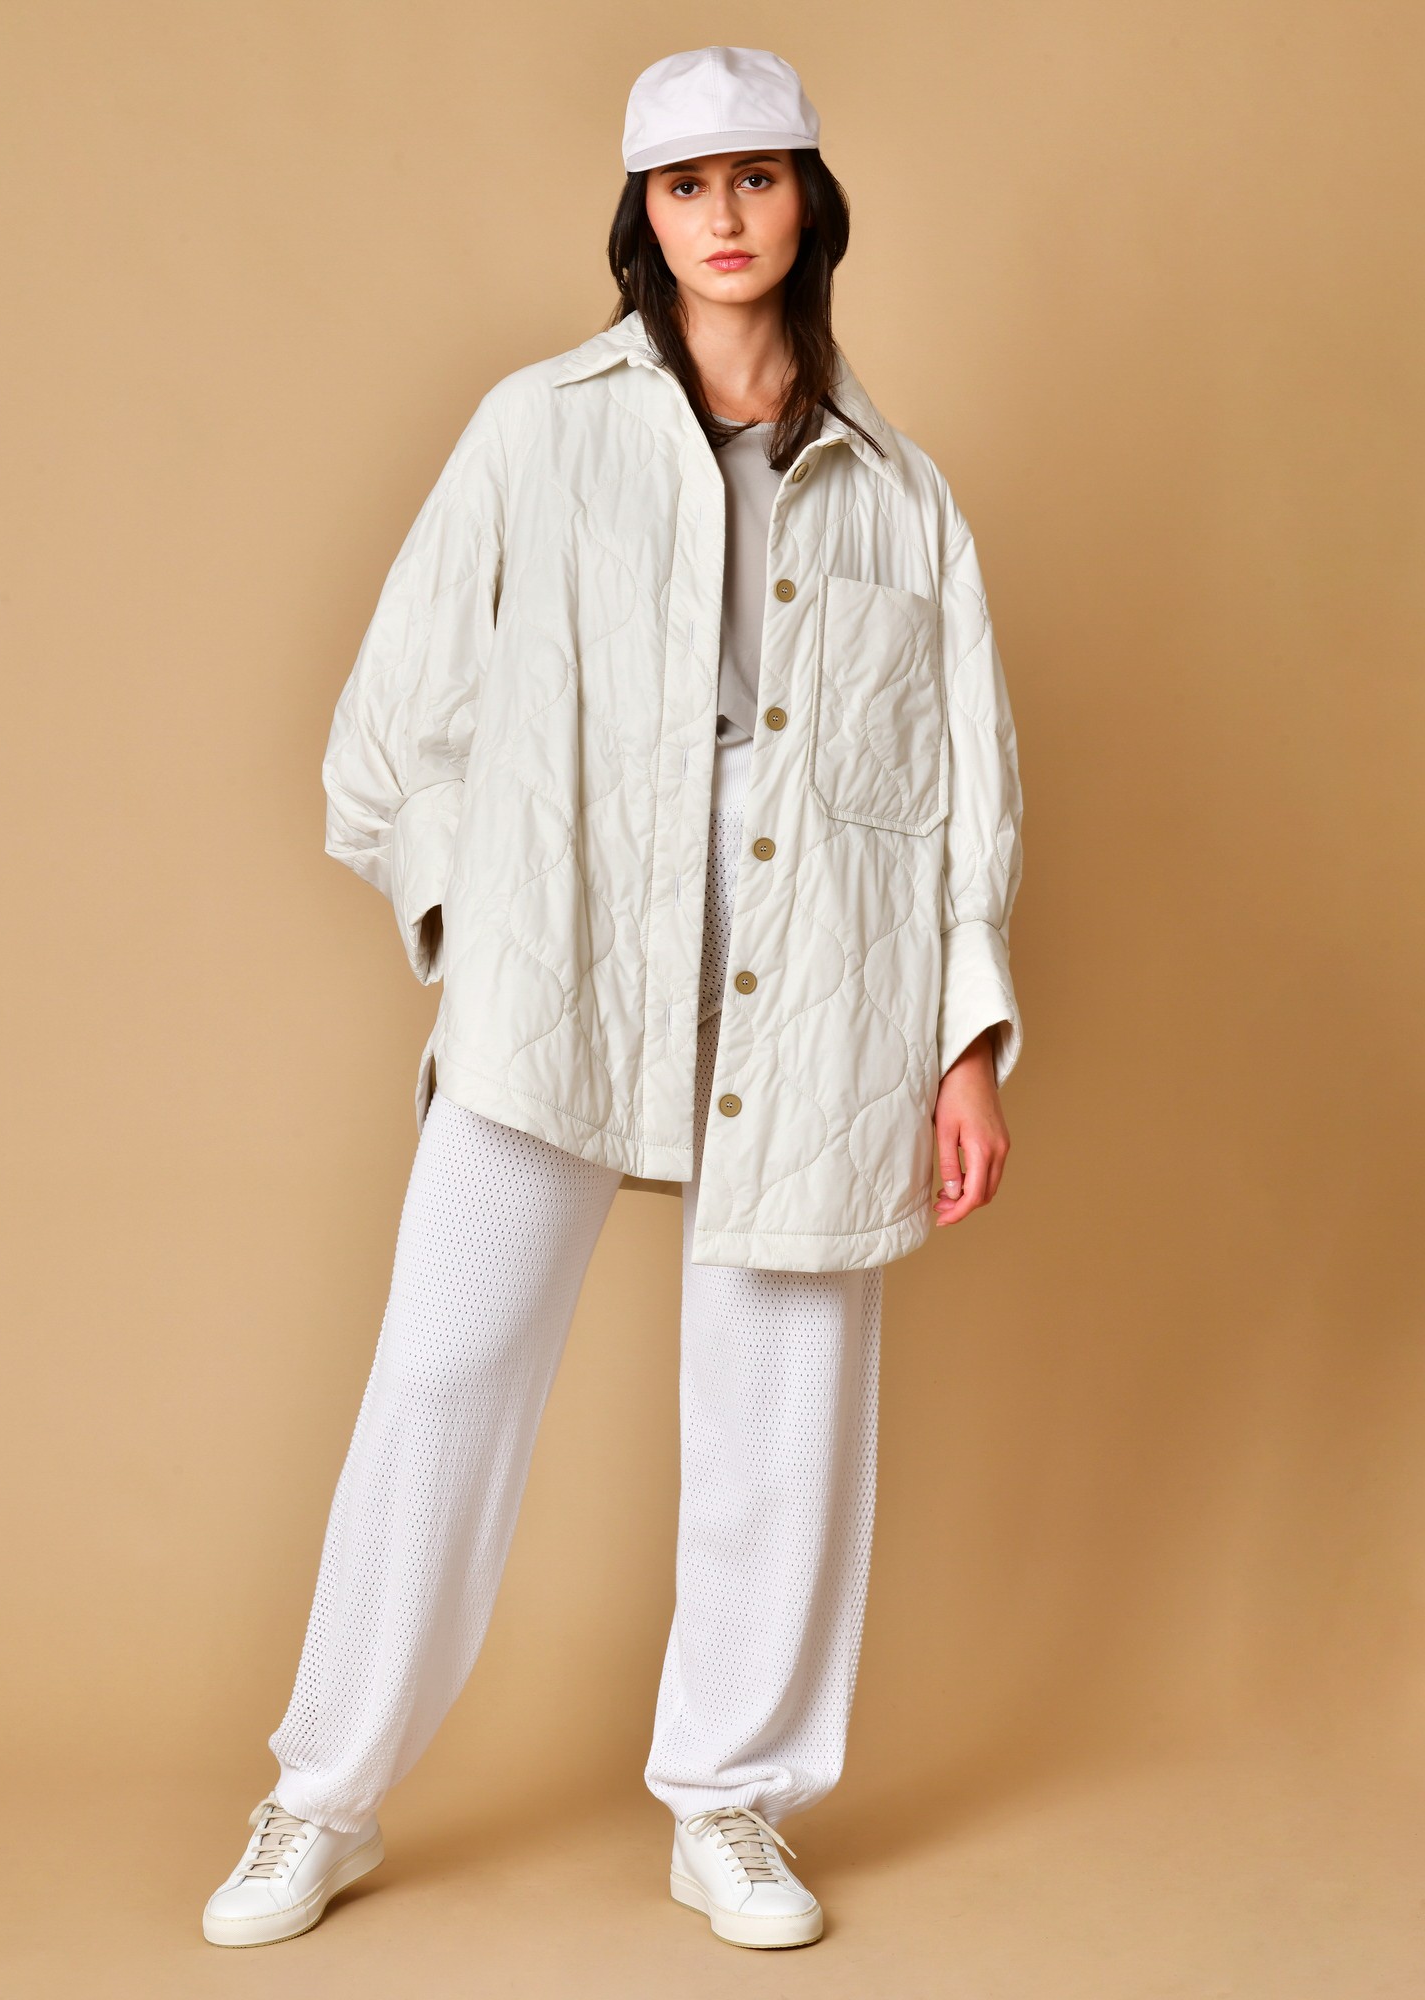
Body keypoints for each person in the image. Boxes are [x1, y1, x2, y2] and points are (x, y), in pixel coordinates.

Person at [203, 44, 1023, 1954]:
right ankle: (322, 1794)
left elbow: (969, 791)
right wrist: (476, 915)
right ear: (643, 215)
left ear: (811, 198)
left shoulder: (906, 497)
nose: (725, 216)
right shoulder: (537, 430)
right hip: (563, 942)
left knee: (784, 1401)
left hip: (825, 961)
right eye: (685, 184)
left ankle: (728, 1801)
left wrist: (965, 1038)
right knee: (444, 1370)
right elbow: (392, 730)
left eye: (758, 176)